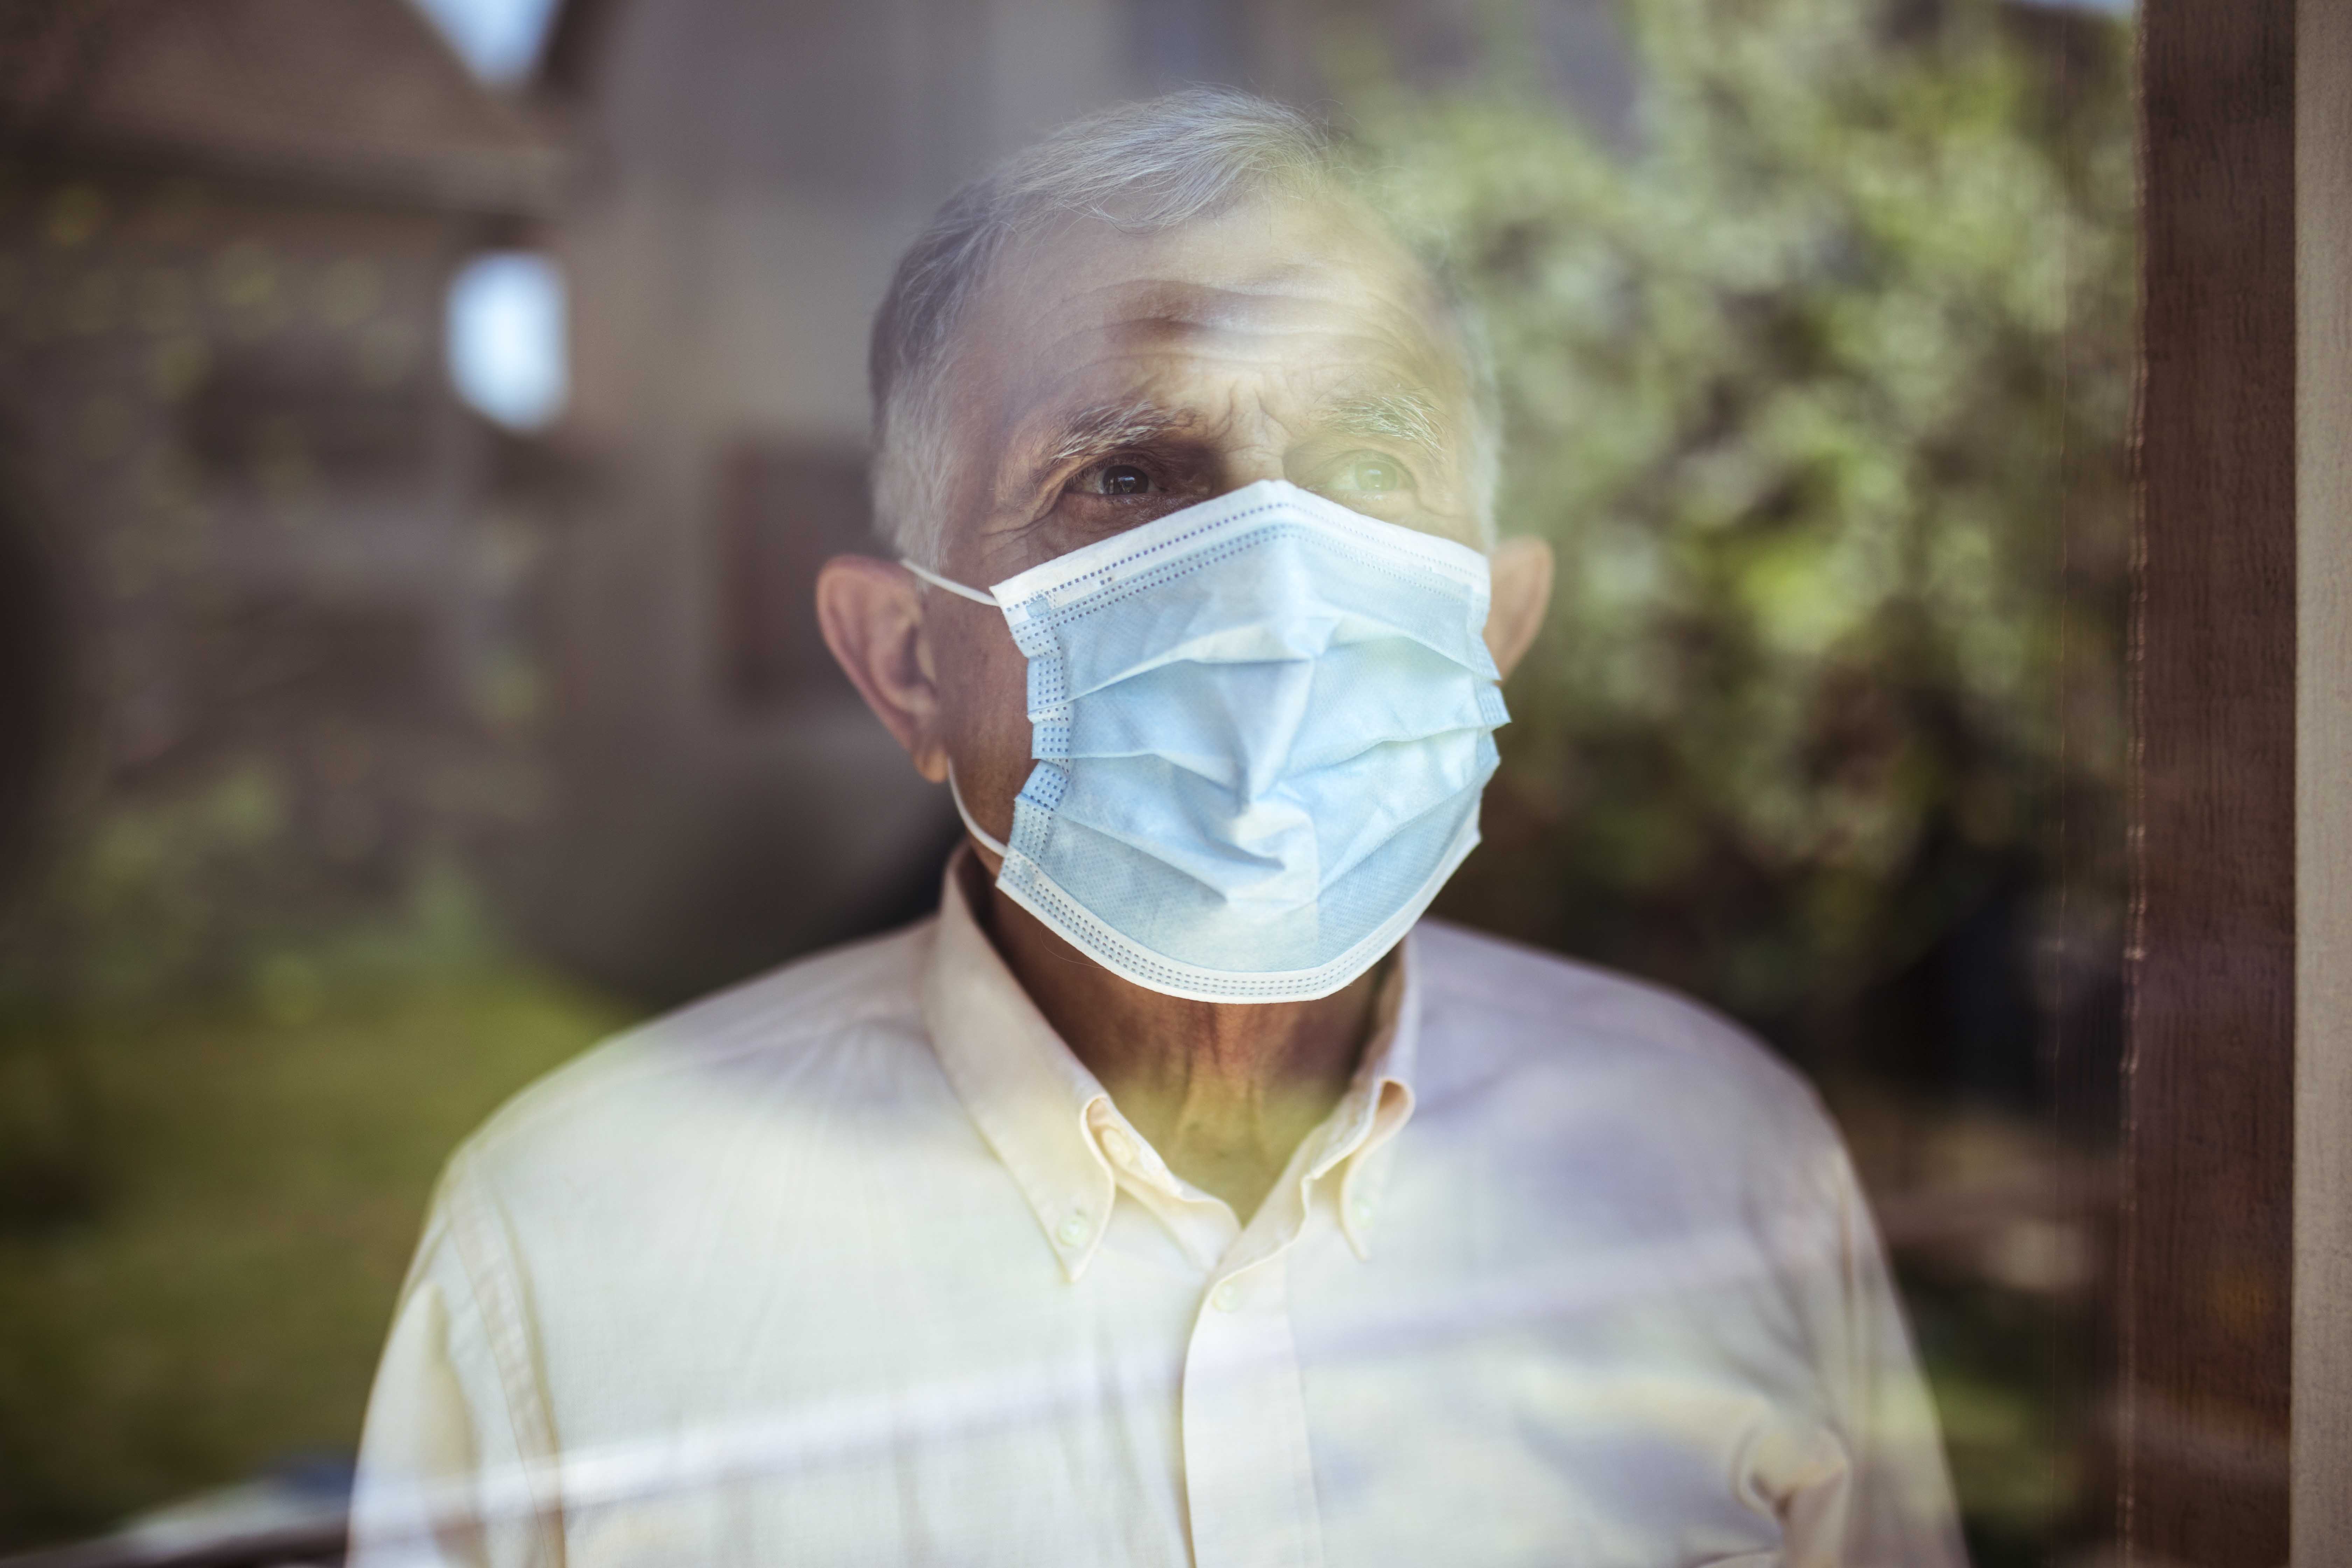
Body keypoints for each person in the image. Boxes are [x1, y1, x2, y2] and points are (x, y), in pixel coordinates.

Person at [348, 89, 1965, 1567]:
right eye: (1125, 472)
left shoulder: (1720, 1163)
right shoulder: (572, 1254)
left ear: (1496, 624)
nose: (1276, 574)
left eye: (1373, 460)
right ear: (908, 662)